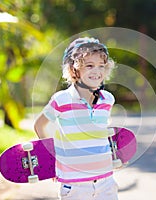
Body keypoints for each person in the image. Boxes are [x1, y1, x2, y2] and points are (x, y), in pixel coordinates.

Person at [34, 37, 118, 200]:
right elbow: (40, 125)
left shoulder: (108, 99)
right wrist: (50, 159)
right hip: (75, 185)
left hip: (106, 181)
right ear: (74, 70)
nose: (97, 71)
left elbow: (101, 133)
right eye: (89, 66)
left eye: (101, 66)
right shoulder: (61, 100)